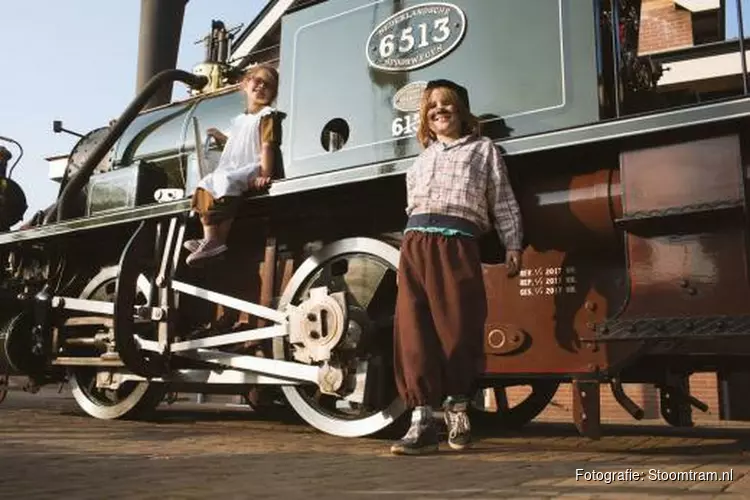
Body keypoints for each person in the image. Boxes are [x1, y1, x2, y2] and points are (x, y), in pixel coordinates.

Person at [390, 79, 523, 455]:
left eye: (446, 104)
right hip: (415, 243)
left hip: (457, 242)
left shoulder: (483, 151)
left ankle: (459, 414)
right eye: (432, 107)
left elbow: (503, 201)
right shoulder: (419, 161)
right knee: (414, 332)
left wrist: (513, 244)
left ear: (461, 112)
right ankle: (420, 423)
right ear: (425, 119)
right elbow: (410, 208)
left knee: (458, 329)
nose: (439, 110)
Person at [184, 64, 281, 267]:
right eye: (258, 81)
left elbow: (267, 145)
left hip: (251, 166)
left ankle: (216, 241)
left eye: (269, 85)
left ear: (274, 93)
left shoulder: (267, 115)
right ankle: (210, 237)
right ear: (245, 84)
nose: (262, 87)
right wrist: (220, 137)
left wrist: (264, 173)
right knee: (206, 183)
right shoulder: (240, 120)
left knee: (224, 183)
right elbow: (236, 142)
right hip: (233, 166)